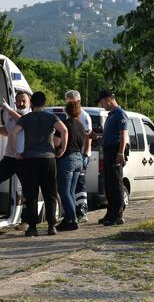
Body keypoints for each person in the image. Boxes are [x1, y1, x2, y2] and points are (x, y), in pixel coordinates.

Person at [10, 91, 68, 236]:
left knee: (31, 194)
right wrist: (62, 149)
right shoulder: (51, 117)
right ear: (44, 103)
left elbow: (13, 133)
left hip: (30, 160)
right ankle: (51, 226)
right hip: (48, 159)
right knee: (50, 193)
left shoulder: (26, 119)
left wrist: (15, 151)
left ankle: (32, 228)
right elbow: (64, 130)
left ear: (32, 103)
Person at [0, 90, 31, 219]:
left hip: (24, 158)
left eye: (24, 101)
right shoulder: (11, 115)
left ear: (29, 103)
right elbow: (7, 131)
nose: (21, 103)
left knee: (27, 188)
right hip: (10, 156)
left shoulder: (29, 115)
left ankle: (26, 219)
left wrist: (9, 109)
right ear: (15, 101)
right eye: (19, 101)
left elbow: (23, 122)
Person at [97, 90, 129, 226]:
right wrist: (97, 137)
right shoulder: (110, 115)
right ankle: (110, 213)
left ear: (109, 99)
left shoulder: (120, 114)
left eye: (102, 102)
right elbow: (109, 135)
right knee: (109, 184)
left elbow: (124, 135)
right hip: (108, 151)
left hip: (116, 151)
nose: (102, 105)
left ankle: (118, 215)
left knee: (116, 184)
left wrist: (120, 153)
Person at [55, 98, 85, 231]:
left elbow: (56, 142)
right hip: (79, 158)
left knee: (63, 190)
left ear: (66, 110)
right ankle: (69, 219)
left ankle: (72, 220)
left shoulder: (63, 124)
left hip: (67, 159)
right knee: (71, 191)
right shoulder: (81, 126)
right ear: (79, 112)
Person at [64, 90, 93, 223]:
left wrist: (85, 154)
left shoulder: (84, 116)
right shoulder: (68, 114)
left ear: (76, 100)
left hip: (80, 154)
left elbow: (88, 137)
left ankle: (82, 210)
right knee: (72, 186)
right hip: (72, 153)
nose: (66, 102)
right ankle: (73, 211)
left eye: (68, 100)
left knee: (80, 184)